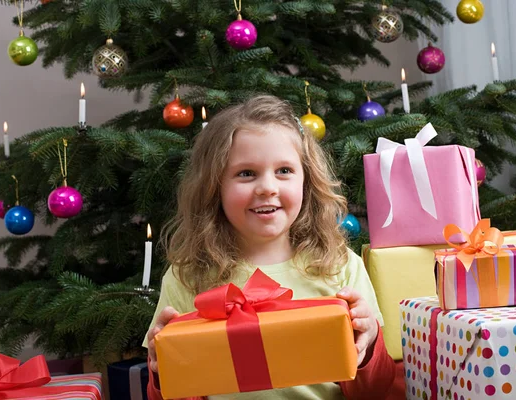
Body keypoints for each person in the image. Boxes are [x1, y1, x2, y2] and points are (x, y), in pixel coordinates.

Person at [144, 95, 401, 399]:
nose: (267, 187)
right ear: (214, 186)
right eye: (246, 173)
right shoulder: (188, 275)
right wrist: (163, 372)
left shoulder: (340, 265)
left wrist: (369, 344)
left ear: (307, 181)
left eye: (284, 171)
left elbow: (375, 390)